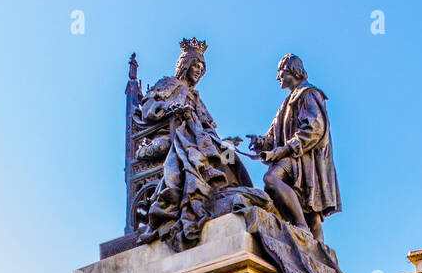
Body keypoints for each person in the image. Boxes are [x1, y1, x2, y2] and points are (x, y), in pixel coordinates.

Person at [135, 37, 251, 251]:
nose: (197, 71)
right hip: (167, 134)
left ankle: (221, 194)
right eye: (195, 66)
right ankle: (194, 199)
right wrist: (172, 110)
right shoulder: (169, 84)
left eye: (201, 68)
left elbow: (208, 126)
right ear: (185, 65)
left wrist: (222, 141)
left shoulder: (196, 97)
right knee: (191, 150)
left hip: (197, 138)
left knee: (227, 153)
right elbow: (148, 108)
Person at [248, 54, 341, 241]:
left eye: (280, 72)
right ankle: (321, 254)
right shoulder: (286, 104)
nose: (277, 77)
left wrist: (285, 150)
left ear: (292, 70)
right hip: (294, 156)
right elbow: (273, 137)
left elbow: (315, 128)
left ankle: (301, 228)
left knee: (271, 179)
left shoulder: (310, 94)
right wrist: (261, 142)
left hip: (304, 158)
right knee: (311, 212)